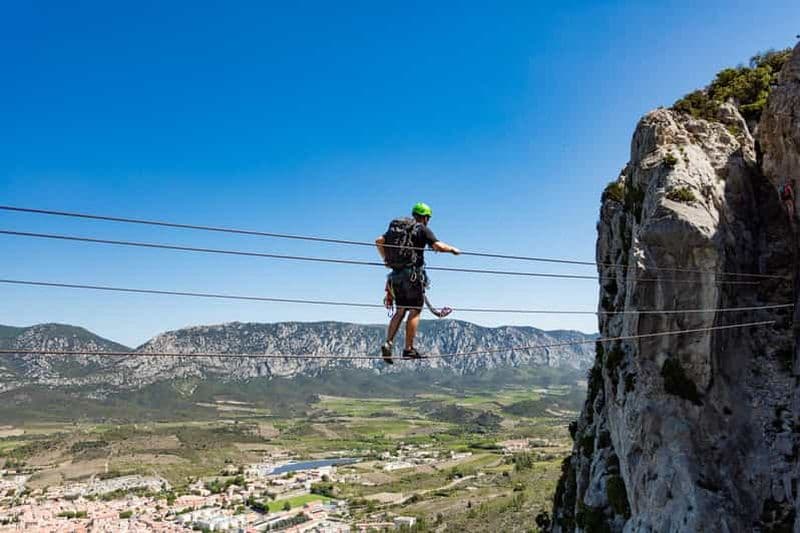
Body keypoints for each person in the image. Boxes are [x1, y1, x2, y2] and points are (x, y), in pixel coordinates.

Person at [375, 202, 460, 363]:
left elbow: (379, 241)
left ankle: (389, 342)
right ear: (426, 217)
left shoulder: (398, 230)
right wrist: (453, 250)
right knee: (415, 310)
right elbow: (438, 246)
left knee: (400, 311)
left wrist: (385, 258)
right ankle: (408, 349)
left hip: (395, 277)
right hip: (412, 276)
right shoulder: (421, 229)